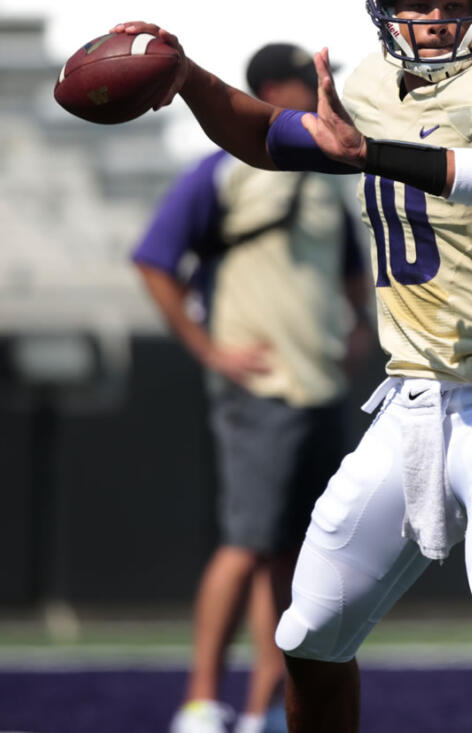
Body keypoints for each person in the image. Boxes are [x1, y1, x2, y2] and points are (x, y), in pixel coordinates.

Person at [115, 0, 472, 733]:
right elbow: (265, 135)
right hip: (409, 402)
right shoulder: (365, 89)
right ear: (383, 7)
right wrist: (188, 76)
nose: (436, 16)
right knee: (308, 634)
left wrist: (368, 153)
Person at [133, 42, 370, 733]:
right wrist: (209, 349)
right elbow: (154, 260)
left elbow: (354, 274)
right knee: (244, 544)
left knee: (296, 554)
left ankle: (267, 702)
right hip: (262, 387)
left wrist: (357, 326)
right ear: (271, 88)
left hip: (320, 384)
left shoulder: (329, 180)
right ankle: (202, 700)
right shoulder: (220, 172)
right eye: (304, 85)